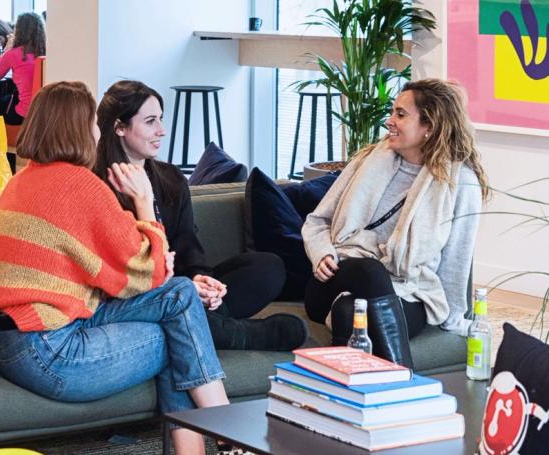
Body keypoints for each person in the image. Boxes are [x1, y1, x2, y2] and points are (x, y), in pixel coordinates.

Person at [0, 81, 230, 454]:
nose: (97, 130)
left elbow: (144, 276)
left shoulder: (20, 181)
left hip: (15, 339)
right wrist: (143, 201)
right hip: (48, 351)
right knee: (178, 336)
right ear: (77, 127)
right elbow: (147, 273)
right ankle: (229, 434)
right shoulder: (79, 184)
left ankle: (218, 440)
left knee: (181, 294)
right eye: (92, 122)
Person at [94, 80, 308, 352]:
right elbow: (119, 272)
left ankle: (198, 322)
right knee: (168, 302)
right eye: (150, 122)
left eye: (161, 119)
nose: (162, 130)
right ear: (120, 127)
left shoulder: (170, 178)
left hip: (182, 287)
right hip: (134, 296)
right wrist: (180, 289)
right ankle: (230, 333)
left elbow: (188, 245)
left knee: (268, 267)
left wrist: (200, 281)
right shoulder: (95, 185)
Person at [302, 78, 489, 369]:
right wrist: (322, 253)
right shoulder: (367, 162)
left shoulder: (459, 182)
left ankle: (345, 402)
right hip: (338, 275)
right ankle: (406, 383)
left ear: (429, 127)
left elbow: (456, 258)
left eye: (401, 114)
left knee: (349, 313)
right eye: (392, 112)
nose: (389, 121)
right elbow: (317, 220)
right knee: (368, 269)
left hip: (409, 288)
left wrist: (455, 319)